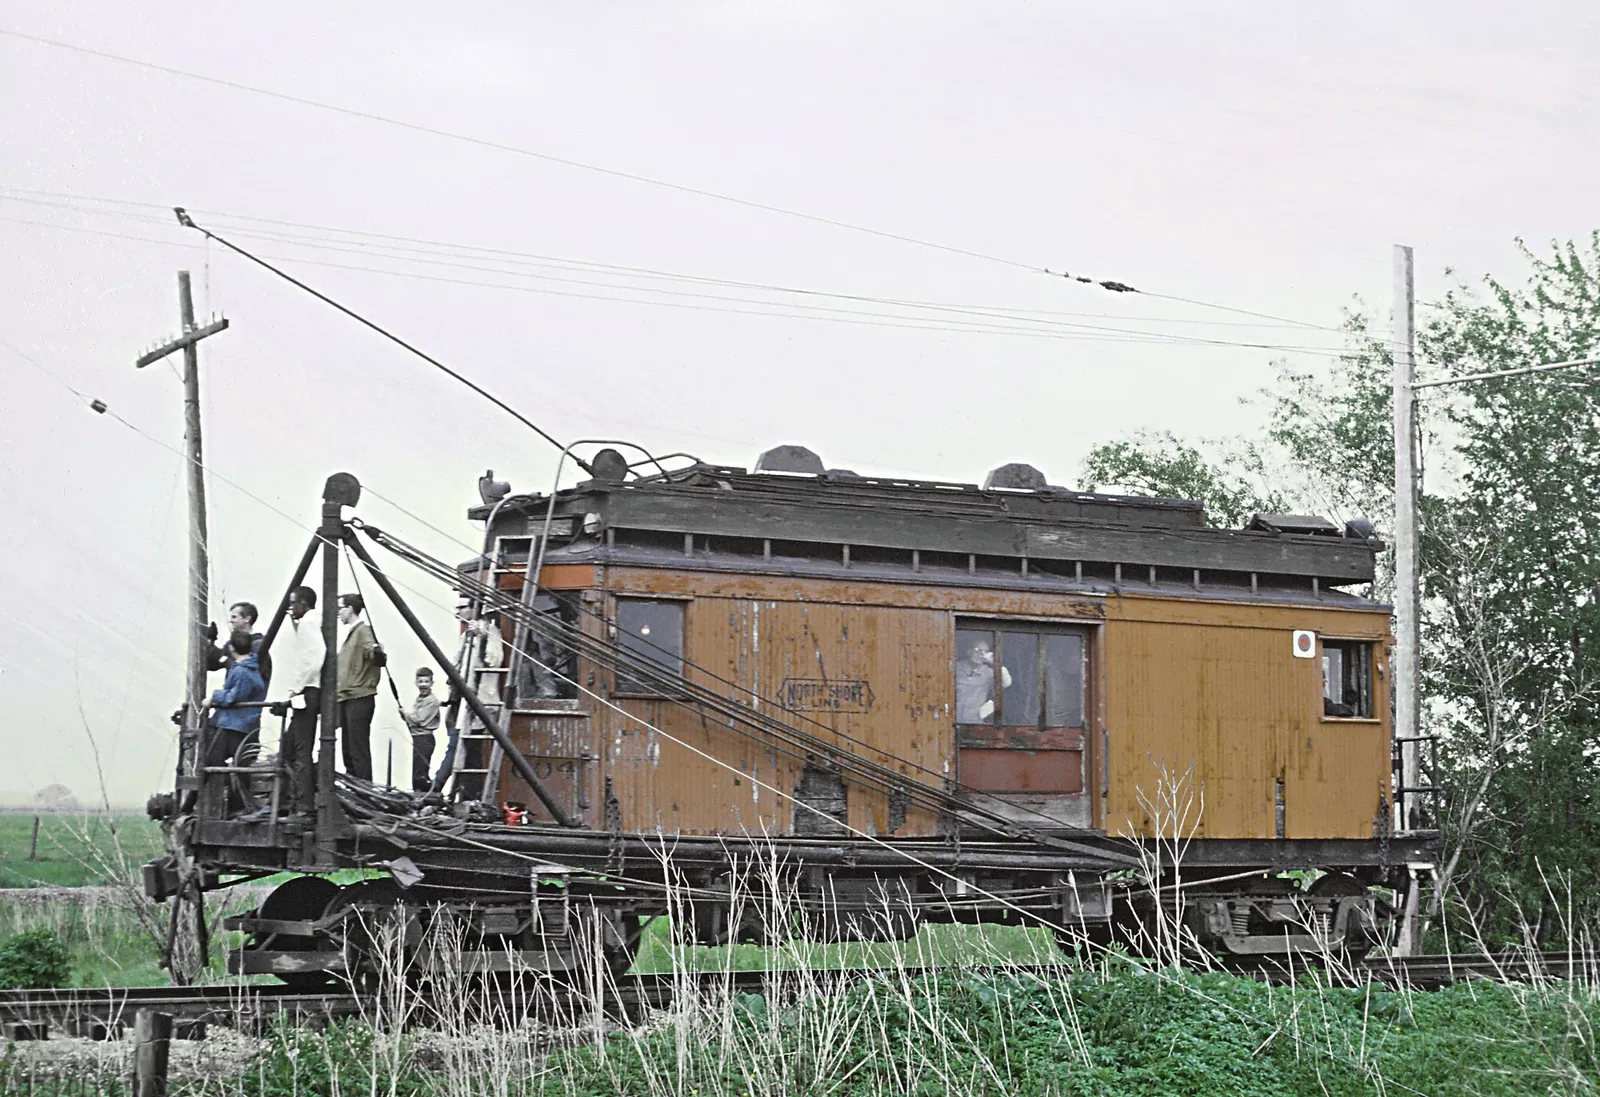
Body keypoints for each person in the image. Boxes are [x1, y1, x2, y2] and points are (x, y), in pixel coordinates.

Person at [268, 585, 325, 819]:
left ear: (304, 603)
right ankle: (287, 801)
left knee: (301, 750)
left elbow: (315, 656)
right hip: (306, 692)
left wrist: (295, 689)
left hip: (307, 692)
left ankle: (303, 806)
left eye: (294, 604)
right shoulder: (310, 622)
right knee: (289, 747)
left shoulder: (308, 623)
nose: (291, 608)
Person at [202, 629, 266, 815]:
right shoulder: (251, 668)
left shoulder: (242, 671)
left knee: (215, 761)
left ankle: (226, 806)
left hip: (234, 725)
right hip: (241, 725)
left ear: (231, 648)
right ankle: (234, 804)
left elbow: (233, 697)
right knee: (239, 766)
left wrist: (213, 697)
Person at [336, 593, 384, 781]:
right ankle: (356, 790)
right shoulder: (352, 633)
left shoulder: (363, 631)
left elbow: (374, 654)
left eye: (340, 608)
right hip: (348, 697)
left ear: (349, 608)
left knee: (357, 750)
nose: (338, 613)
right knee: (348, 750)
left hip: (359, 697)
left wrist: (377, 652)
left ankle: (365, 792)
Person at [206, 601, 273, 688]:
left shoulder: (259, 645)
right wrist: (210, 641)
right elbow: (214, 664)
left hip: (249, 699)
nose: (230, 621)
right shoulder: (231, 644)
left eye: (234, 617)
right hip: (233, 696)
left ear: (247, 619)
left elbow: (253, 673)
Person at [403, 667, 441, 793]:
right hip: (418, 738)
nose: (423, 685)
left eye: (426, 682)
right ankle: (420, 794)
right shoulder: (420, 699)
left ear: (432, 683)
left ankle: (427, 793)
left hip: (425, 739)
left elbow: (420, 719)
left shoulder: (432, 701)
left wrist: (405, 715)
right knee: (417, 770)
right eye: (420, 682)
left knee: (420, 772)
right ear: (416, 683)